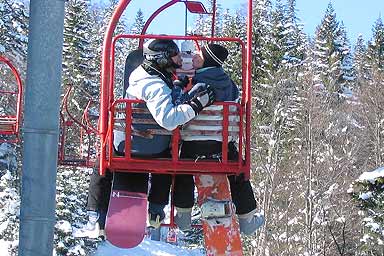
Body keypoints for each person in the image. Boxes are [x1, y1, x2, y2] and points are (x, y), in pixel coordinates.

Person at [72, 38, 215, 238]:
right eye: (174, 54)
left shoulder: (141, 75)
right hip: (153, 149)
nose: (179, 57)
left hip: (124, 145)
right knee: (169, 157)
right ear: (163, 58)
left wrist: (175, 86)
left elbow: (159, 97)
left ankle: (95, 212)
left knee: (104, 160)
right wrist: (196, 105)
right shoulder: (156, 86)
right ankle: (156, 209)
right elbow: (168, 119)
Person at [166, 43, 265, 235]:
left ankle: (183, 215)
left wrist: (180, 87)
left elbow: (184, 108)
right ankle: (247, 218)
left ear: (207, 60)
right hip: (222, 148)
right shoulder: (230, 86)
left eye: (199, 55)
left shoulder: (199, 84)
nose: (194, 56)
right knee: (239, 174)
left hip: (193, 147)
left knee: (182, 171)